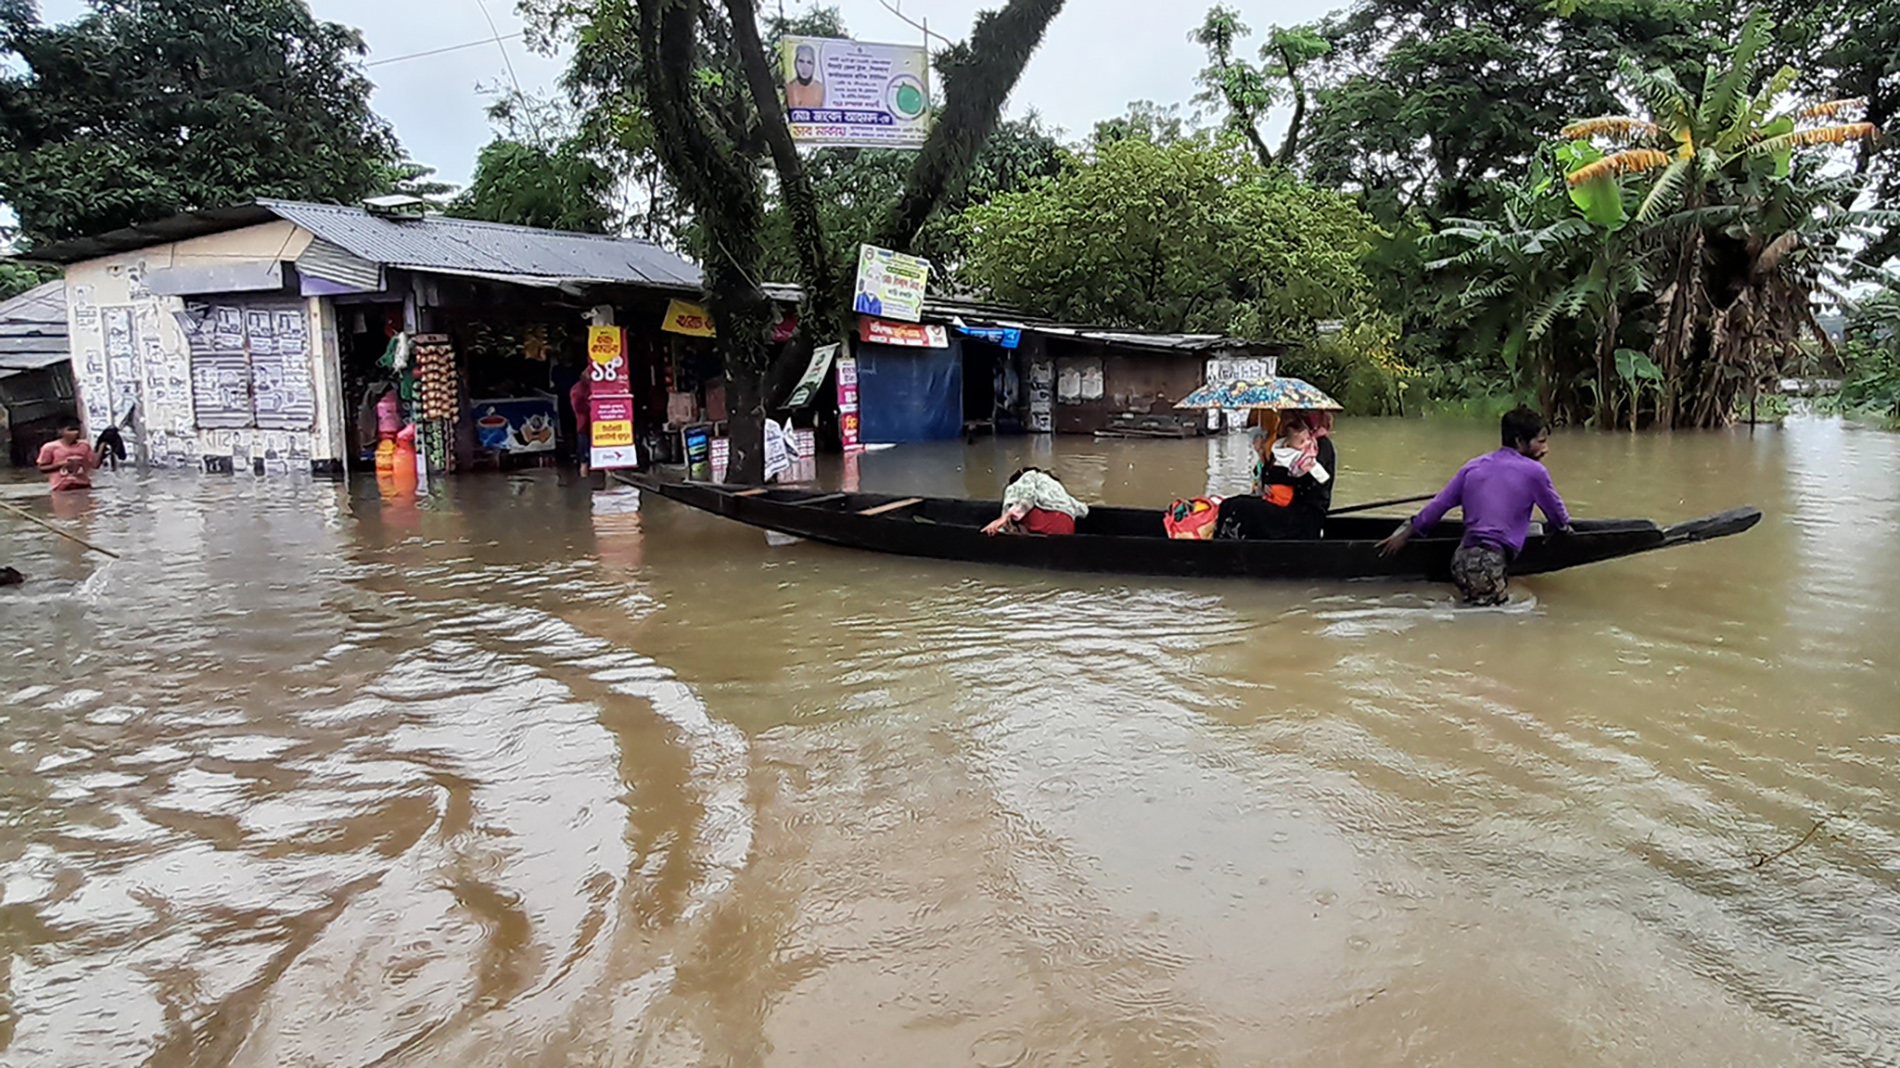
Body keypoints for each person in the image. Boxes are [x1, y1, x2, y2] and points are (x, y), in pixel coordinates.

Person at [1378, 406, 1574, 606]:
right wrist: (1562, 535)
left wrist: (1404, 534)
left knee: (1475, 611)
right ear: (1519, 441)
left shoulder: (1473, 466)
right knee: (1495, 619)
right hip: (1486, 562)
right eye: (1541, 442)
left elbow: (1438, 506)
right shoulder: (1535, 472)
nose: (1545, 449)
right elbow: (1559, 519)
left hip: (1461, 560)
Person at [1214, 409, 1337, 540]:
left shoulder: (1321, 446)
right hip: (1280, 505)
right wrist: (1261, 454)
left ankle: (1225, 544)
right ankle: (1221, 541)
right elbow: (1266, 478)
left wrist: (1287, 470)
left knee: (1239, 506)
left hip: (1302, 516)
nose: (1282, 419)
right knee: (1228, 505)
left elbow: (1312, 482)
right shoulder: (1282, 445)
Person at [982, 467, 1088, 535]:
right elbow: (1084, 510)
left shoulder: (1029, 476)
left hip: (1043, 525)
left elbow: (1028, 497)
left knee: (1016, 514)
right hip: (1067, 530)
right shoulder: (1056, 486)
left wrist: (1003, 518)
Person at [36, 420, 100, 492]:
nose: (76, 432)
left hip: (83, 485)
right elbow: (41, 468)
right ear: (60, 431)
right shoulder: (50, 447)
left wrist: (101, 446)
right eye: (71, 430)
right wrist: (61, 464)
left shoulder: (85, 445)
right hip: (60, 487)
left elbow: (95, 465)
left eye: (77, 430)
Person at [785, 44, 824, 109]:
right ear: (795, 63)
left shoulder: (821, 90)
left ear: (814, 65)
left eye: (809, 62)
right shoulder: (789, 88)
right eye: (801, 61)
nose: (805, 67)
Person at [569, 373, 593, 478]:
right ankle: (583, 472)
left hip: (599, 427)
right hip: (584, 426)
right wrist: (591, 405)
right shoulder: (578, 389)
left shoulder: (597, 387)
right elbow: (577, 407)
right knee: (584, 457)